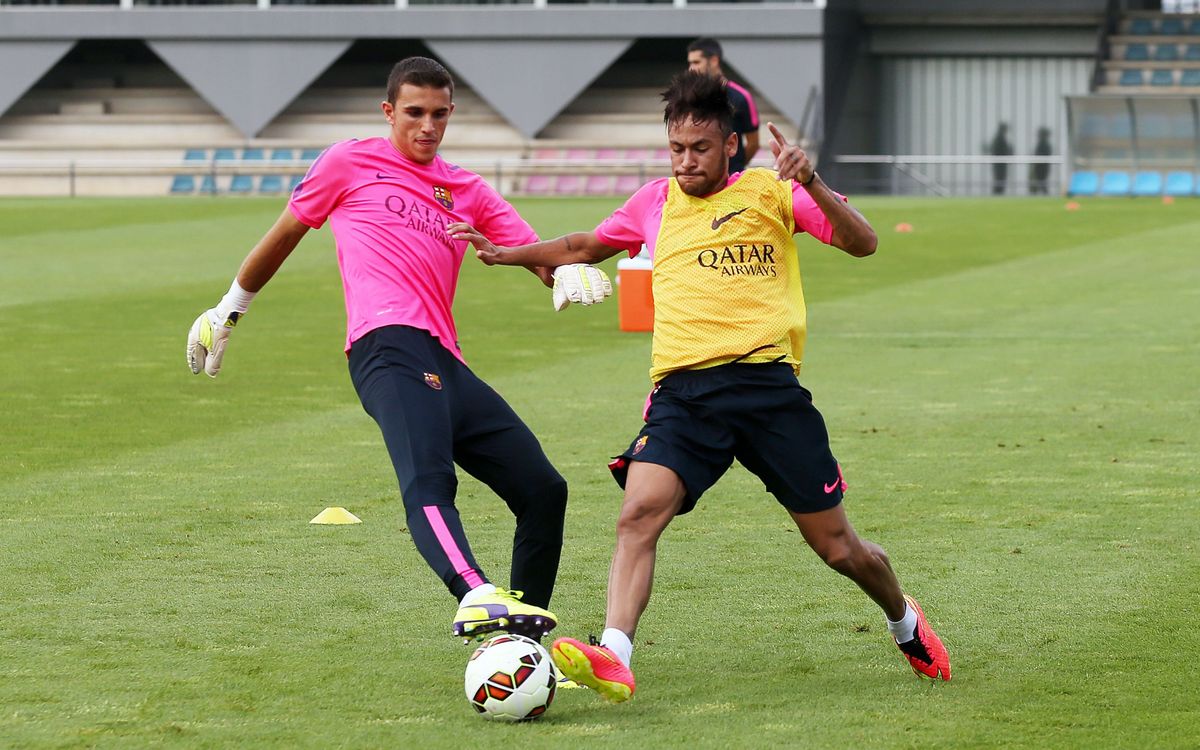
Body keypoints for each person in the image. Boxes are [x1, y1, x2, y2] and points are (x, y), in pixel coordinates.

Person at [451, 71, 952, 703]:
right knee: (637, 514)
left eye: (701, 149)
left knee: (837, 546)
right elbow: (584, 244)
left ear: (732, 146)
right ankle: (615, 653)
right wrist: (509, 252)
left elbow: (865, 242)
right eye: (677, 149)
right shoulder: (655, 202)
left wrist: (813, 183)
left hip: (769, 392)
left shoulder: (774, 192)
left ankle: (904, 622)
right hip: (684, 396)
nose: (687, 162)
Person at [185, 56, 601, 645]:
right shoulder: (348, 162)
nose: (427, 126)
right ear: (389, 112)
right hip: (383, 347)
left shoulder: (468, 190)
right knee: (428, 481)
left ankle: (520, 643)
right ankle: (475, 592)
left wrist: (567, 276)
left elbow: (534, 252)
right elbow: (284, 234)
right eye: (414, 113)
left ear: (451, 114)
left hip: (446, 361)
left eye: (438, 114)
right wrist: (229, 308)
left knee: (543, 489)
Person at [687, 37, 760, 175]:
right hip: (701, 179)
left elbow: (753, 143)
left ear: (714, 60)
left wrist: (734, 166)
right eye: (690, 63)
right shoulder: (690, 97)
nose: (691, 68)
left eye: (696, 62)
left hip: (733, 179)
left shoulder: (741, 97)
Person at [989, 122, 1013, 195]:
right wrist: (1009, 152)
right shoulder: (1000, 138)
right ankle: (998, 194)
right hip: (1000, 163)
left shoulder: (998, 137)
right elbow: (1001, 151)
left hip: (999, 163)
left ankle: (997, 194)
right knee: (1000, 181)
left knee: (999, 181)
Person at [1029, 127, 1052, 195]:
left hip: (1041, 166)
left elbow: (1042, 154)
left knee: (1041, 181)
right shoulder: (1044, 143)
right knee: (1040, 181)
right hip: (1041, 165)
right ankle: (1041, 193)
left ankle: (1042, 193)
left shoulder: (1043, 143)